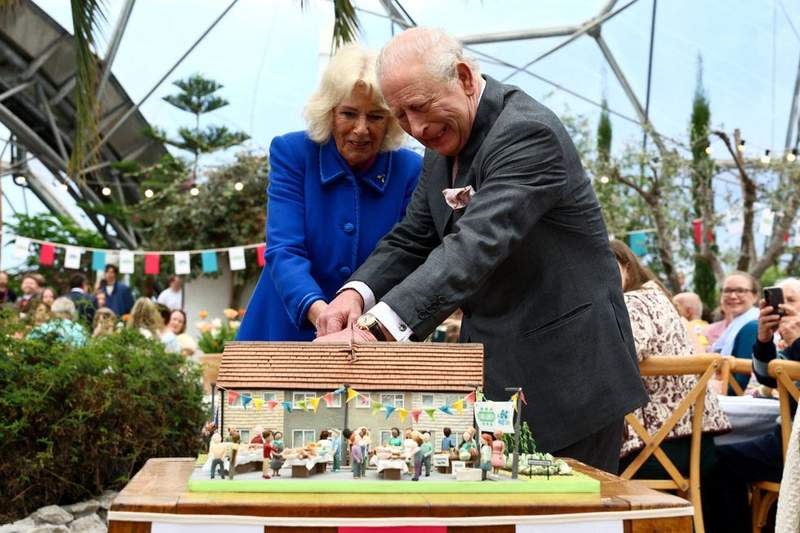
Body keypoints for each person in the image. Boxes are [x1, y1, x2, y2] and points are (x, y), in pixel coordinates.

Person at [315, 27, 647, 472]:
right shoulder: (441, 144)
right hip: (498, 379)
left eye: (420, 106)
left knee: (560, 509)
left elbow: (473, 247)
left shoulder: (528, 133)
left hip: (568, 380)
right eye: (401, 115)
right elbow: (414, 236)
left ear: (465, 78)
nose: (416, 128)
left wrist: (375, 331)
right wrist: (354, 295)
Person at [236, 44, 422, 342]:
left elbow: (407, 258)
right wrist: (320, 312)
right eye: (348, 113)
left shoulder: (411, 169)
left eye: (376, 117)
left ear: (391, 119)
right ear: (329, 111)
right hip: (284, 329)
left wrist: (366, 326)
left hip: (367, 336)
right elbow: (284, 249)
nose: (361, 129)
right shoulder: (292, 153)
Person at [611, 240, 730, 479]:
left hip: (653, 450)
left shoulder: (633, 302)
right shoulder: (659, 298)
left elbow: (623, 355)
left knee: (572, 463)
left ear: (627, 267)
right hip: (697, 445)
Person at [702, 277, 800, 533]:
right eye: (779, 300)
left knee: (716, 462)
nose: (783, 307)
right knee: (712, 458)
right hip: (784, 440)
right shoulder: (789, 337)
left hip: (792, 447)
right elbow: (769, 376)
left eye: (791, 301)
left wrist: (797, 341)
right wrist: (765, 339)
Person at [710, 271, 760, 391]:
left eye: (740, 291)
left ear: (755, 296)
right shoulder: (734, 325)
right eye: (727, 291)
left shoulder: (753, 325)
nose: (732, 296)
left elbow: (740, 382)